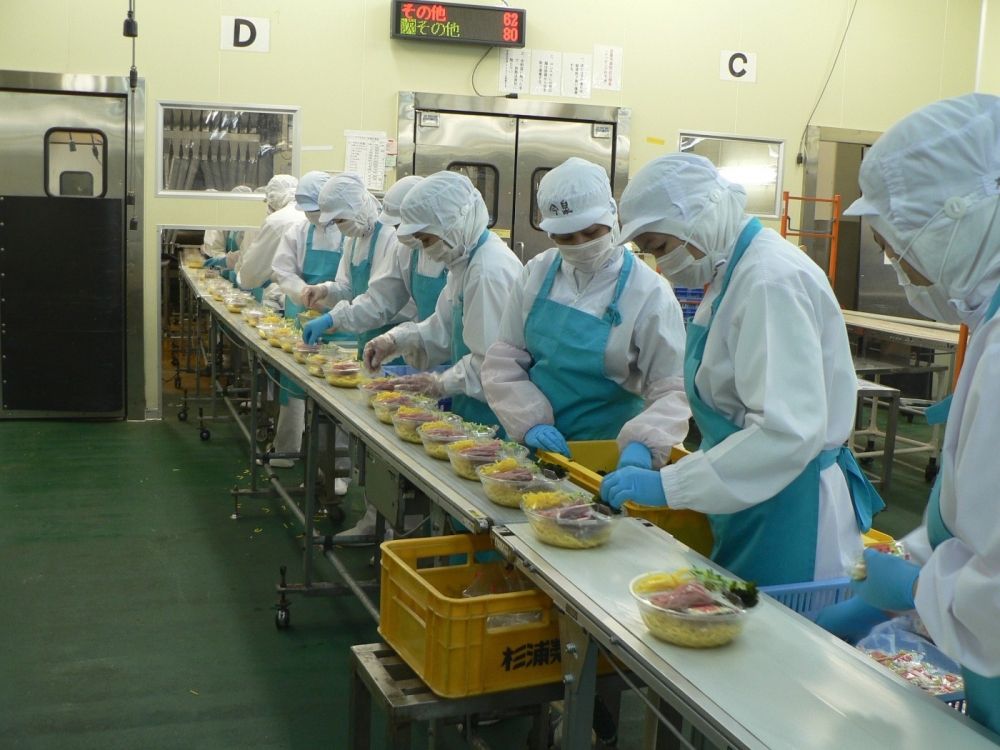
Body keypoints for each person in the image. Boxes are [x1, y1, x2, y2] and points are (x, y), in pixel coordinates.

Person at [600, 153, 883, 586]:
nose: (661, 264)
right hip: (750, 492)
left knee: (783, 637)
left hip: (791, 504)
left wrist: (670, 486)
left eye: (660, 247)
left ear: (697, 219)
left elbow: (785, 432)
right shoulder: (729, 272)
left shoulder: (769, 279)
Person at [816, 94, 1000, 736]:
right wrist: (919, 562)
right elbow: (976, 514)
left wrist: (916, 591)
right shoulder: (989, 318)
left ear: (961, 217)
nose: (899, 267)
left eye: (900, 246)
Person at [481, 157, 689, 469]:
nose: (580, 245)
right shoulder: (536, 274)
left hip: (605, 456)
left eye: (591, 233)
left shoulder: (650, 293)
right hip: (536, 449)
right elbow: (505, 360)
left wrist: (644, 444)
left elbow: (672, 389)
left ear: (612, 215)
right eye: (566, 237)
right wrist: (529, 421)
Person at [363, 171, 522, 427]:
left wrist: (440, 383)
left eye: (427, 239)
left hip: (495, 412)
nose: (427, 249)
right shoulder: (464, 264)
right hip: (471, 403)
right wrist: (396, 341)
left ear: (452, 225)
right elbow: (443, 327)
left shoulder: (488, 270)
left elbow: (492, 363)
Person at [298, 174, 442, 354]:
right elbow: (377, 299)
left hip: (405, 344)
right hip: (390, 342)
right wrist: (327, 297)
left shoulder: (394, 239)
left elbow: (400, 306)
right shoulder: (359, 242)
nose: (402, 234)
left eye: (341, 220)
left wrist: (395, 338)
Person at [267, 171, 346, 478]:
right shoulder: (299, 231)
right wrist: (302, 291)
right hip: (303, 317)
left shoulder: (346, 233)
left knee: (339, 400)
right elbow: (282, 270)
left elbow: (347, 283)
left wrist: (327, 298)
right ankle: (286, 449)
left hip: (340, 322)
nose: (313, 215)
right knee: (294, 389)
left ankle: (337, 469)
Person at [234, 174, 300, 306]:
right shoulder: (312, 215)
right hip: (318, 301)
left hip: (285, 300)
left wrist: (241, 278)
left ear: (272, 199)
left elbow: (251, 273)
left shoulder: (277, 221)